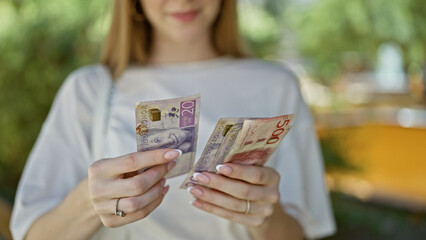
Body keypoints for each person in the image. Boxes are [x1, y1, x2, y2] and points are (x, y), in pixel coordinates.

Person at [10, 0, 336, 239]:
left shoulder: (276, 85)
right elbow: (34, 235)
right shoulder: (90, 89)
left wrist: (265, 216)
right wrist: (90, 202)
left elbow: (301, 232)